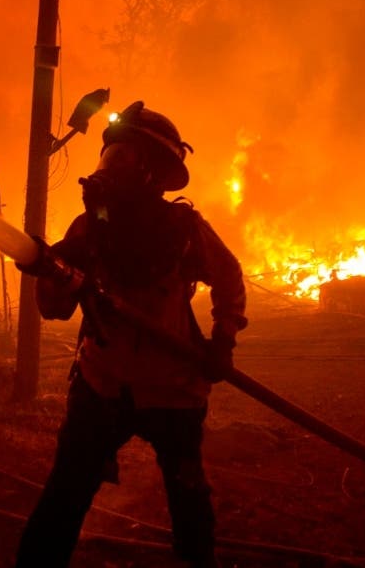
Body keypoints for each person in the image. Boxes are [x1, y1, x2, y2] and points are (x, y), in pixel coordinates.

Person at [15, 101, 247, 568]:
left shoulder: (183, 230)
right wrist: (54, 274)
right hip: (104, 384)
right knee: (65, 495)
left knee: (189, 500)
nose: (110, 168)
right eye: (110, 155)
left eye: (125, 157)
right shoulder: (91, 229)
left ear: (155, 172)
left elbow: (229, 277)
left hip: (173, 390)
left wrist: (223, 340)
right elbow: (55, 310)